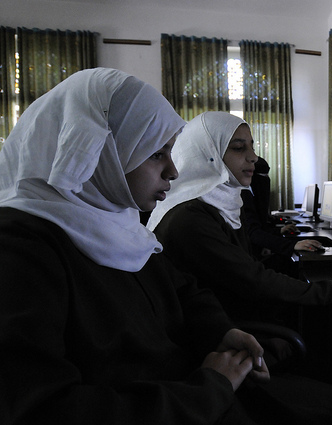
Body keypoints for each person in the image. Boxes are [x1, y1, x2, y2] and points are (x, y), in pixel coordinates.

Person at [0, 68, 269, 424]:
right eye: (156, 153)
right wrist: (209, 388)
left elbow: (183, 290)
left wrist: (221, 331)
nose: (173, 171)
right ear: (98, 151)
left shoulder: (119, 221)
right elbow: (44, 408)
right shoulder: (20, 250)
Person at [146, 112, 332, 322]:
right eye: (239, 148)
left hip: (233, 313)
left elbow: (245, 268)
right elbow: (250, 279)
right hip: (225, 329)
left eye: (252, 147)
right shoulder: (190, 218)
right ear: (208, 154)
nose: (253, 157)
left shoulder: (222, 203)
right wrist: (329, 289)